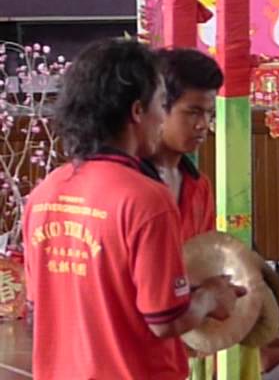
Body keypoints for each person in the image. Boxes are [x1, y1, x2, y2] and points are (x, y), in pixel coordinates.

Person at [23, 38, 240, 380]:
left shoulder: (45, 192)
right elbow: (166, 320)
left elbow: (36, 310)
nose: (161, 116)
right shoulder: (145, 198)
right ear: (138, 111)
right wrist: (211, 297)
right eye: (161, 103)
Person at [141, 47, 220, 241]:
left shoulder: (200, 186)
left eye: (210, 113)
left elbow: (204, 258)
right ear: (158, 106)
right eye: (193, 112)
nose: (203, 125)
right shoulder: (128, 180)